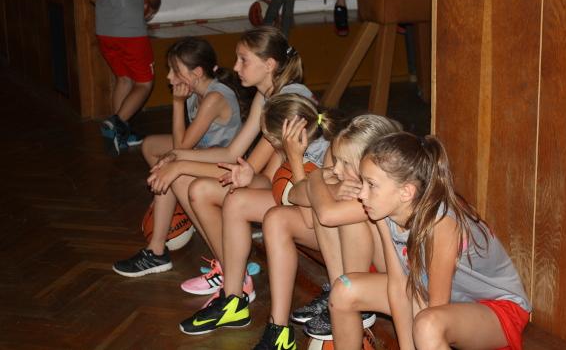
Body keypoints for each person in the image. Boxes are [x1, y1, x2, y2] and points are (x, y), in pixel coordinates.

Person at [142, 26, 311, 296]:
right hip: (275, 184)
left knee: (197, 186)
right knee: (184, 179)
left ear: (269, 65)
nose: (235, 67)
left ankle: (236, 276)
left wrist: (180, 164)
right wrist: (177, 156)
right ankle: (231, 270)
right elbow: (233, 153)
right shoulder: (265, 94)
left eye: (243, 60)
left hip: (297, 194)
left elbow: (249, 168)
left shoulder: (288, 100)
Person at [329, 133, 532, 350]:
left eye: (371, 184)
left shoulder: (441, 223)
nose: (361, 194)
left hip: (496, 310)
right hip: (436, 300)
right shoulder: (384, 213)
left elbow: (437, 307)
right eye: (362, 182)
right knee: (343, 290)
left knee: (428, 325)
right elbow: (398, 286)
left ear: (406, 192)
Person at [178, 93, 343, 345]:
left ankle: (278, 330)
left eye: (270, 140)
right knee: (236, 199)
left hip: (329, 230)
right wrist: (249, 179)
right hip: (302, 209)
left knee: (276, 219)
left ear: (281, 137)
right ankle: (233, 300)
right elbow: (273, 185)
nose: (270, 145)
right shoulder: (288, 147)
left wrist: (295, 159)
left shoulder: (329, 152)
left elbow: (312, 219)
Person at [112, 37, 252, 277]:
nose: (169, 77)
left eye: (175, 71)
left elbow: (180, 147)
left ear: (196, 73)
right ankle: (176, 201)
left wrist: (177, 103)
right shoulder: (196, 90)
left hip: (225, 166)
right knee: (151, 146)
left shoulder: (214, 98)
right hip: (203, 154)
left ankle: (156, 251)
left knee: (171, 167)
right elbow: (184, 147)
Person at [290, 115, 401, 342]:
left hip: (392, 277)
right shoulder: (351, 182)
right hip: (373, 271)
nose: (337, 170)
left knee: (327, 204)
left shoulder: (379, 197)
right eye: (336, 161)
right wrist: (325, 186)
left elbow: (326, 214)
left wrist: (316, 176)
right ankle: (338, 290)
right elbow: (294, 195)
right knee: (322, 198)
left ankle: (355, 302)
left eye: (345, 163)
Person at [88, 0, 161, 153]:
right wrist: (152, 5)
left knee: (123, 78)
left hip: (104, 31)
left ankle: (122, 135)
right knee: (144, 83)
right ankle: (116, 123)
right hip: (131, 32)